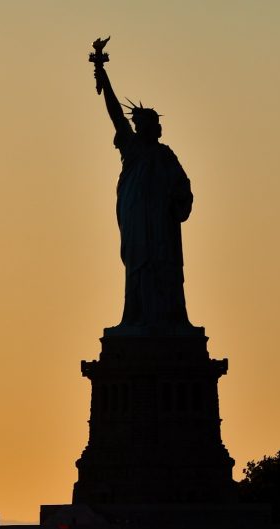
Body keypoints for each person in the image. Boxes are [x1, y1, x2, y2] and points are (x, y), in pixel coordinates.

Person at [93, 52, 195, 333]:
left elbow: (182, 188)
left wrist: (178, 202)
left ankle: (168, 319)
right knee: (139, 269)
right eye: (148, 125)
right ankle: (137, 316)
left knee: (164, 268)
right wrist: (102, 74)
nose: (155, 129)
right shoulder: (133, 149)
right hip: (138, 222)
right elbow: (115, 113)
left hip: (161, 226)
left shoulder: (165, 156)